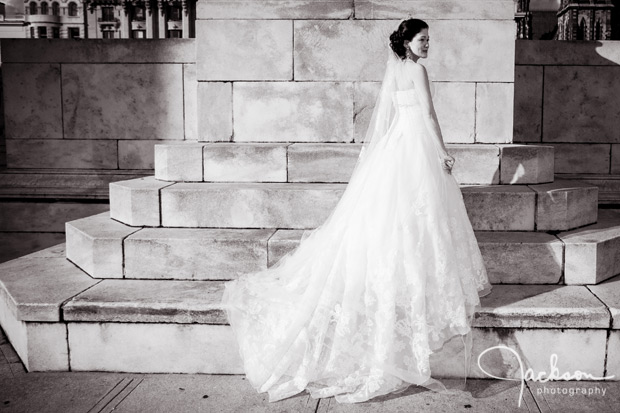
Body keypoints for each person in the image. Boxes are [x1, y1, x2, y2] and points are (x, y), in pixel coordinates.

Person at [221, 18, 493, 404]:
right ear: (408, 42)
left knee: (402, 217)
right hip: (415, 146)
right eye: (422, 39)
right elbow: (429, 116)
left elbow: (393, 117)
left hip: (398, 144)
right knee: (420, 216)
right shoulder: (416, 69)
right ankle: (418, 281)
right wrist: (443, 152)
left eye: (429, 40)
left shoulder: (397, 68)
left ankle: (408, 277)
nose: (428, 45)